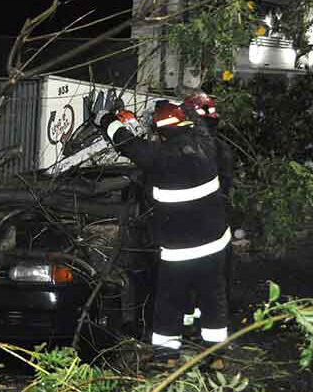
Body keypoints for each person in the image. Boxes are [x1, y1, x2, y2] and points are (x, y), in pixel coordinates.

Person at [95, 101, 231, 366]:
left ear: (161, 133)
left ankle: (167, 357)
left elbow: (128, 144)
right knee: (213, 297)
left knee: (169, 300)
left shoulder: (158, 157)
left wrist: (106, 120)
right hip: (215, 243)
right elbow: (193, 124)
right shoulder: (206, 145)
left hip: (180, 248)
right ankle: (216, 358)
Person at [184, 91, 237, 316]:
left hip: (193, 226)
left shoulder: (192, 152)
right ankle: (211, 319)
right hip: (218, 224)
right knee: (215, 280)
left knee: (188, 277)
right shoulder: (221, 149)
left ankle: (189, 320)